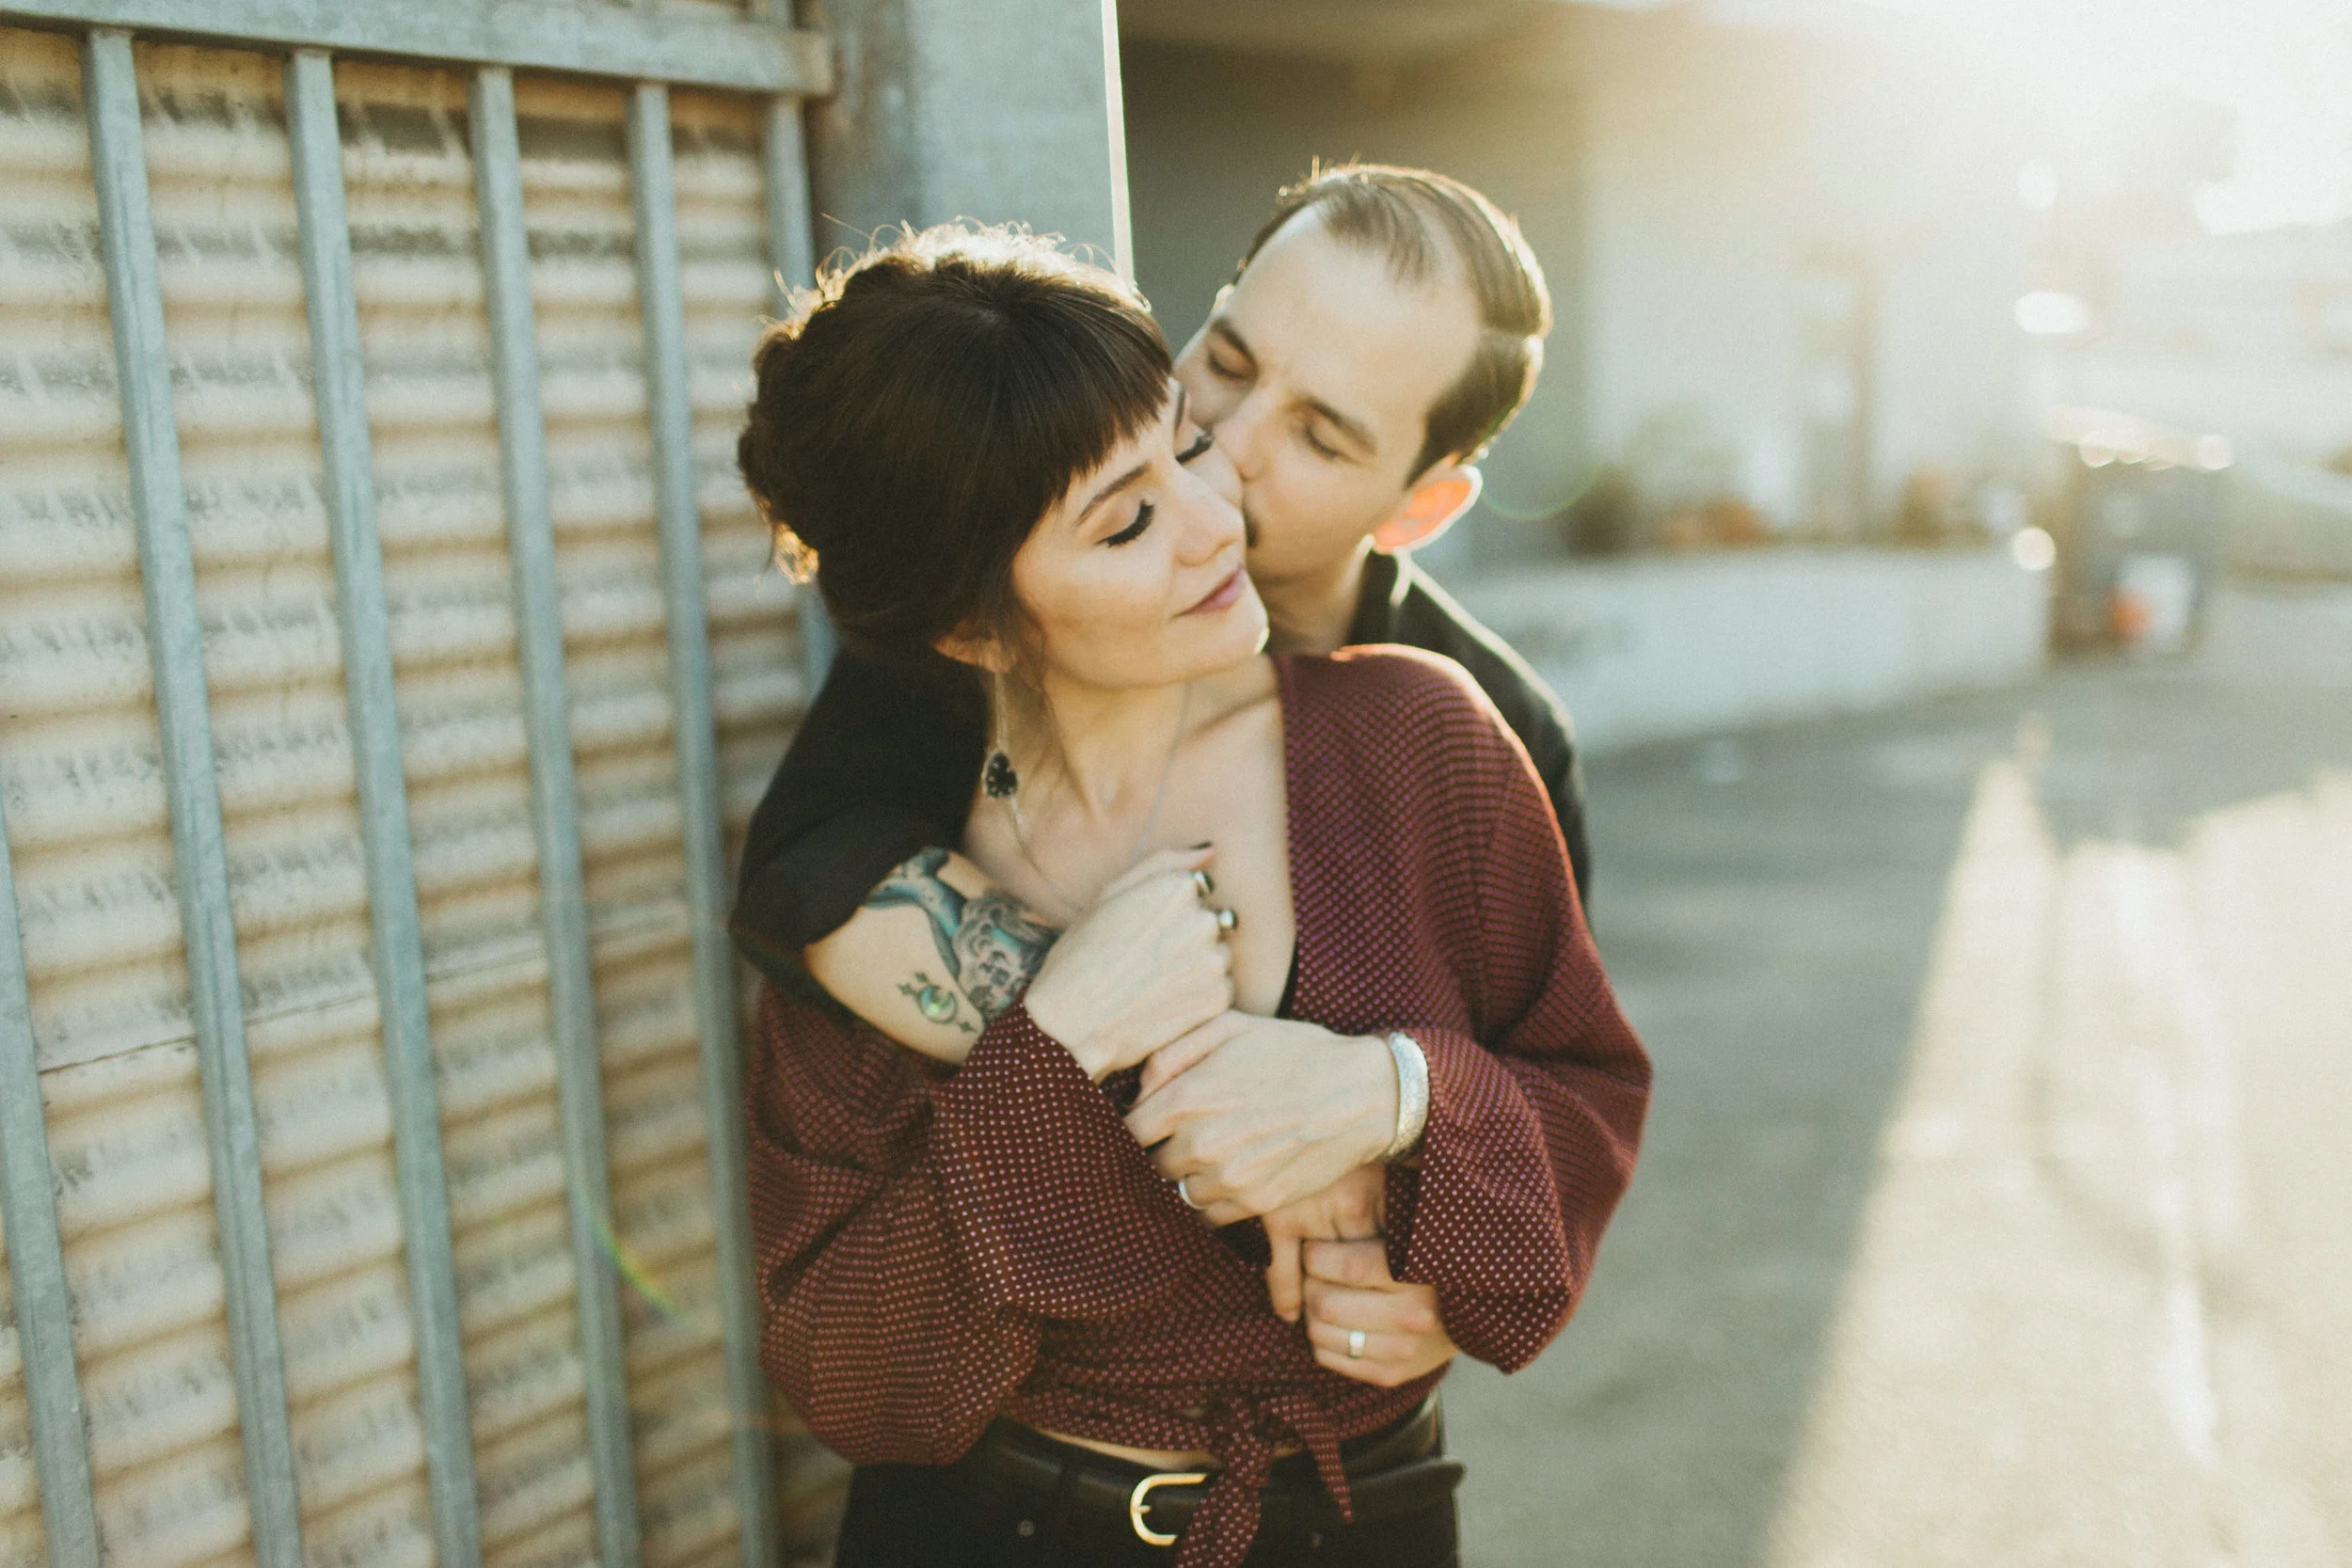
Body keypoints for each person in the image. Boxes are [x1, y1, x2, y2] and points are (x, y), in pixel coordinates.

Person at [737, 223, 1648, 1568]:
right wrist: (1063, 1051)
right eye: (1219, 369)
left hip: (1353, 1518)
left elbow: (1568, 1121)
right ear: (977, 632)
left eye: (1312, 437)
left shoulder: (1447, 732)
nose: (1222, 499)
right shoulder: (892, 795)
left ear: (1415, 497)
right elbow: (855, 1378)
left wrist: (1381, 1102)